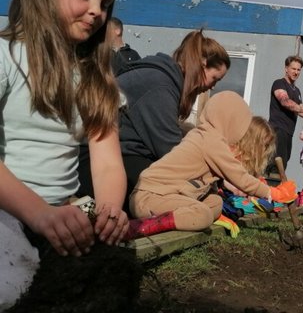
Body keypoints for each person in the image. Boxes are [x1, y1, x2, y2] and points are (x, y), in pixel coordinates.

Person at [0, 0, 130, 310]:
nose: (96, 11)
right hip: (11, 210)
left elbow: (106, 161)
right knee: (12, 287)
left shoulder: (94, 78)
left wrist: (109, 209)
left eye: (105, 4)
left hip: (59, 214)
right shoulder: (7, 57)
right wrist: (38, 214)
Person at [77, 29, 230, 212]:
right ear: (202, 64)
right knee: (166, 187)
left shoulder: (165, 81)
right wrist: (212, 176)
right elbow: (172, 152)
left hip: (122, 155)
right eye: (214, 79)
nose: (212, 86)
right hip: (95, 162)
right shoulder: (160, 86)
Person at [126, 91, 298, 239]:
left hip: (166, 195)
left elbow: (209, 182)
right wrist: (272, 192)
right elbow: (239, 177)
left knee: (215, 202)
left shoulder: (209, 137)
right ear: (230, 119)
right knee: (203, 214)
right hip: (150, 197)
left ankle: (187, 217)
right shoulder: (212, 140)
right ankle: (137, 228)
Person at [268, 55, 303, 174]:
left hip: (289, 133)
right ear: (286, 69)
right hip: (277, 130)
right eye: (293, 69)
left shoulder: (297, 91)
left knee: (283, 163)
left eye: (298, 69)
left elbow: (300, 111)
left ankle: (277, 190)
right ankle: (269, 190)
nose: (296, 72)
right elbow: (285, 101)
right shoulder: (279, 83)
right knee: (274, 164)